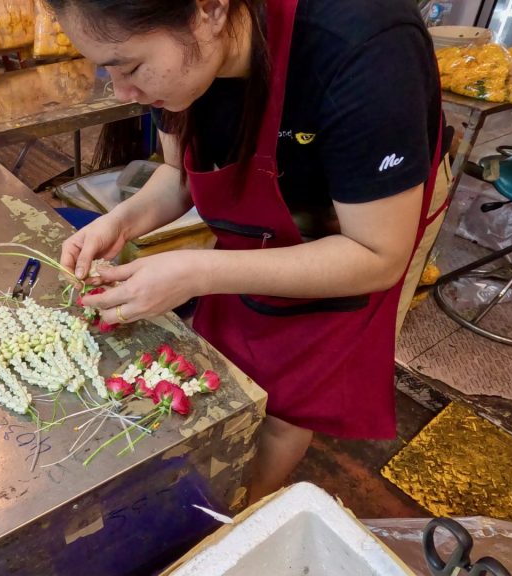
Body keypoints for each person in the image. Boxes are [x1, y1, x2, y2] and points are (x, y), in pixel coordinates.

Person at [52, 0, 446, 502]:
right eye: (106, 69)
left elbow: (375, 254)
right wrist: (121, 222)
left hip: (358, 232)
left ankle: (239, 510)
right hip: (268, 223)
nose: (124, 91)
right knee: (232, 359)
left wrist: (198, 271)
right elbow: (178, 176)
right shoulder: (179, 59)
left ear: (210, 10)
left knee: (290, 400)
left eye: (129, 66)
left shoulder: (364, 48)